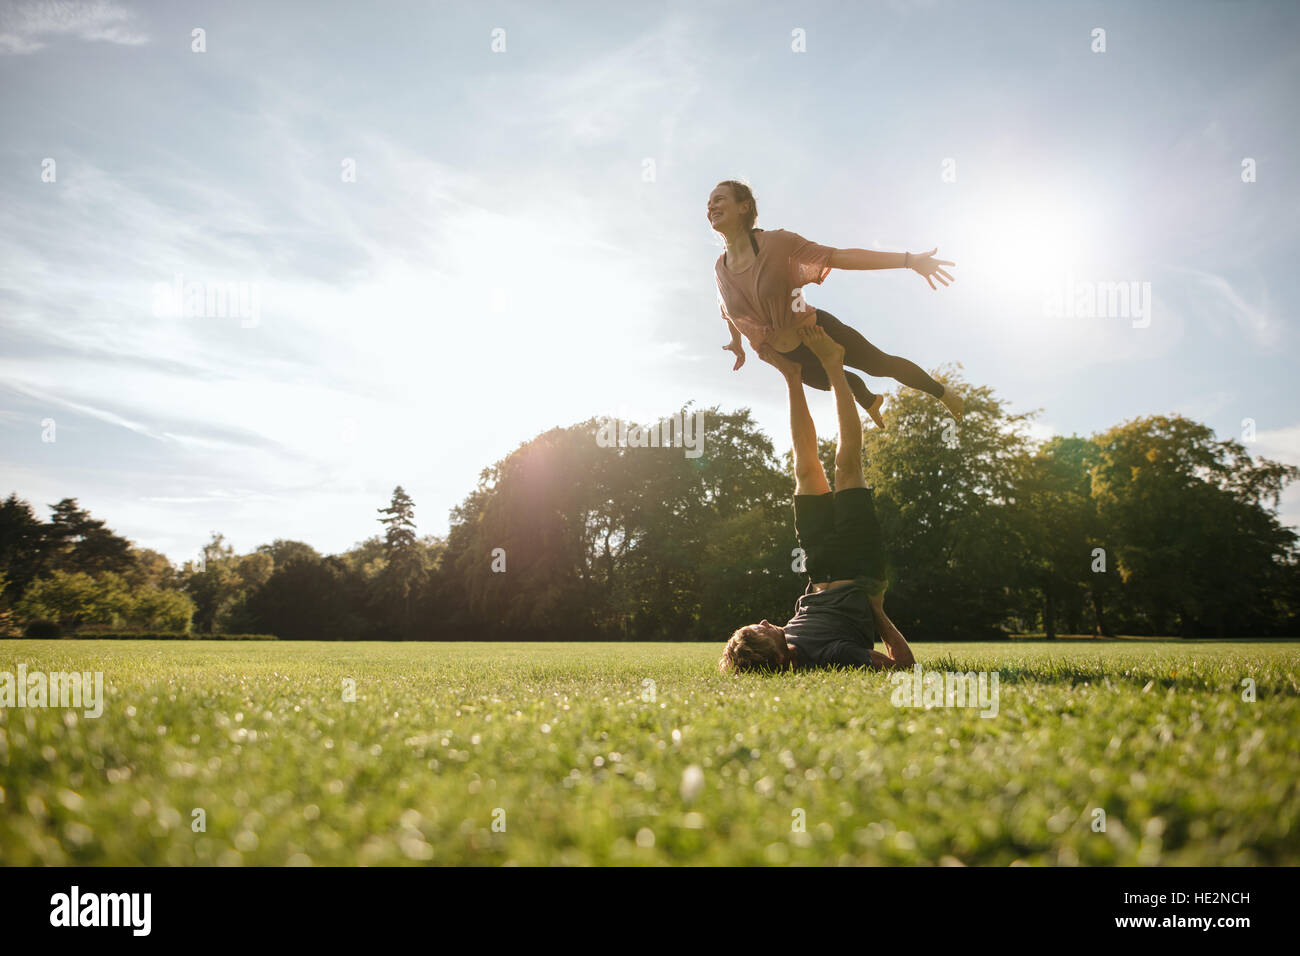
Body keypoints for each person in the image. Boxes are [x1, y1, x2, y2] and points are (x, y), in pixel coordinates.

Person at [718, 324, 915, 674]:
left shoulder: (788, 637)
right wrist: (878, 613)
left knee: (805, 470)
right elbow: (903, 667)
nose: (764, 621)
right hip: (859, 567)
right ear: (780, 657)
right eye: (761, 629)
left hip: (818, 566)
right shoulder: (830, 655)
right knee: (847, 467)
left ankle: (793, 377)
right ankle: (833, 365)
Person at [709, 179, 965, 430]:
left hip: (818, 332)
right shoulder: (720, 269)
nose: (711, 207)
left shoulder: (778, 243)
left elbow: (840, 257)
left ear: (744, 207)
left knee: (880, 365)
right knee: (844, 383)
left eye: (719, 199)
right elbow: (728, 310)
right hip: (789, 357)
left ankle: (943, 393)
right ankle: (871, 401)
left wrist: (909, 261)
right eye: (709, 203)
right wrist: (736, 342)